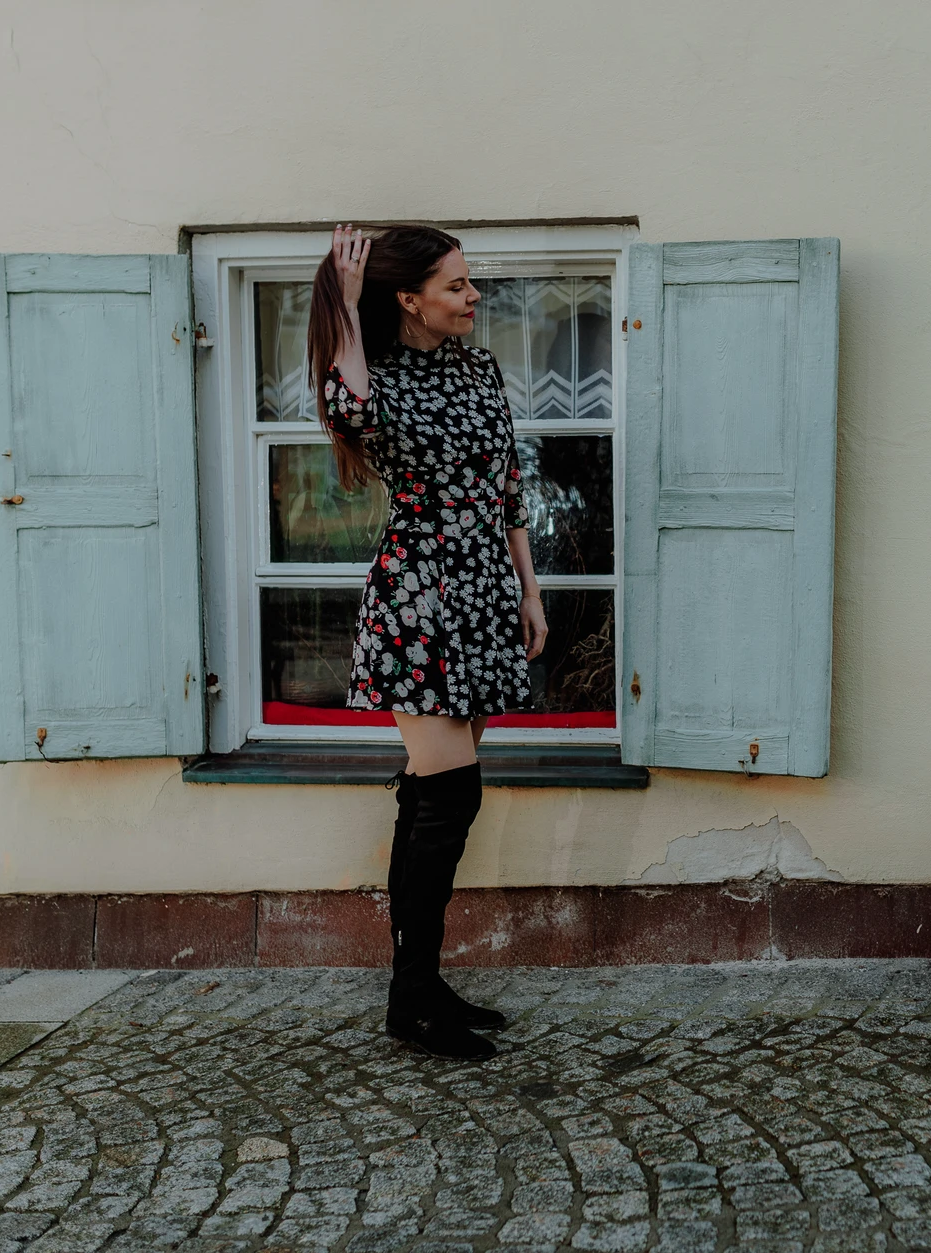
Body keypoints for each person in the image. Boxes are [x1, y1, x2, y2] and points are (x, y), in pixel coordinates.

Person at [310, 224, 549, 1060]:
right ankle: (413, 995)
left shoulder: (479, 369)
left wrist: (529, 589)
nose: (473, 296)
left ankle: (418, 986)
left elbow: (507, 483)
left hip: (482, 590)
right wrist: (347, 304)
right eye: (455, 285)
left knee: (430, 798)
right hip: (418, 596)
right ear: (408, 298)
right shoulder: (373, 377)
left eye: (469, 282)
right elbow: (349, 408)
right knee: (450, 798)